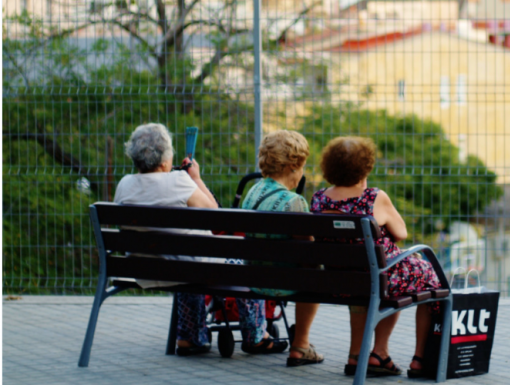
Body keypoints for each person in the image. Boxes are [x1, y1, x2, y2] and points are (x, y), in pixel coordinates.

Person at [114, 123, 287, 357]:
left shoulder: (124, 185)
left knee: (188, 264)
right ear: (165, 160)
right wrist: (195, 177)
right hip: (191, 268)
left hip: (144, 269)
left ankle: (190, 337)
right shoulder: (178, 181)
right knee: (243, 262)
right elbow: (215, 215)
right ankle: (256, 336)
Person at [310, 136, 441, 378]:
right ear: (366, 166)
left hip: (338, 282)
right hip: (374, 279)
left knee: (389, 273)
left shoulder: (319, 199)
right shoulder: (373, 197)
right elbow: (401, 233)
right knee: (427, 275)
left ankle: (372, 355)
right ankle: (416, 359)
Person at [239, 129, 324, 367]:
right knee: (314, 273)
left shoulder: (252, 192)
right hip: (283, 284)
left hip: (255, 279)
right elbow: (309, 255)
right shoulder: (295, 202)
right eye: (304, 165)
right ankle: (301, 345)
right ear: (293, 165)